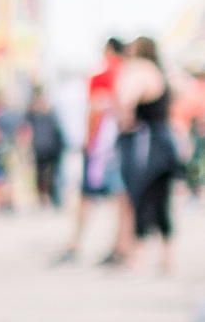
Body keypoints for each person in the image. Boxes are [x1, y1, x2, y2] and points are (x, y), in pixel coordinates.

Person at [111, 37, 178, 273]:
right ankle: (167, 257)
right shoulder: (159, 71)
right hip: (164, 140)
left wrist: (124, 120)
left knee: (139, 196)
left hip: (146, 143)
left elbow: (126, 99)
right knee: (161, 201)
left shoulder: (139, 70)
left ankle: (138, 258)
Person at [61, 37, 125, 262]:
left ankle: (74, 245)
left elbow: (95, 111)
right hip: (124, 144)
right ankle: (120, 246)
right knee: (122, 198)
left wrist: (89, 142)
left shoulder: (101, 75)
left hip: (101, 146)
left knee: (87, 196)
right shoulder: (127, 72)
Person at [22, 87, 67, 208]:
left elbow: (58, 132)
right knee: (41, 174)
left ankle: (53, 197)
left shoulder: (51, 115)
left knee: (52, 174)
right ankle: (43, 197)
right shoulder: (33, 115)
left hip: (51, 149)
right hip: (40, 148)